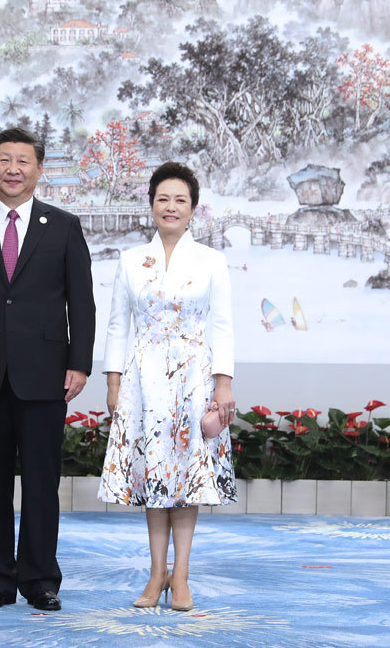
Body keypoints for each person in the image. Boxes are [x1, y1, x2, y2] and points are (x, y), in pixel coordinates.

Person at [0, 127, 96, 612]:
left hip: (46, 373)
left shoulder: (65, 225)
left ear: (38, 169)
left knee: (41, 482)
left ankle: (40, 579)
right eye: (4, 160)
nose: (13, 169)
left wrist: (79, 363)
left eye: (23, 161)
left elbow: (82, 303)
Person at [98, 161, 236, 611]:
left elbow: (223, 326)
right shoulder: (131, 259)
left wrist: (224, 385)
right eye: (163, 199)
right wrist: (114, 382)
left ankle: (181, 577)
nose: (171, 207)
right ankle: (156, 575)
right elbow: (118, 325)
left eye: (180, 200)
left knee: (187, 478)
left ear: (193, 208)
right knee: (154, 476)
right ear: (151, 205)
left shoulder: (212, 260)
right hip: (145, 381)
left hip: (194, 379)